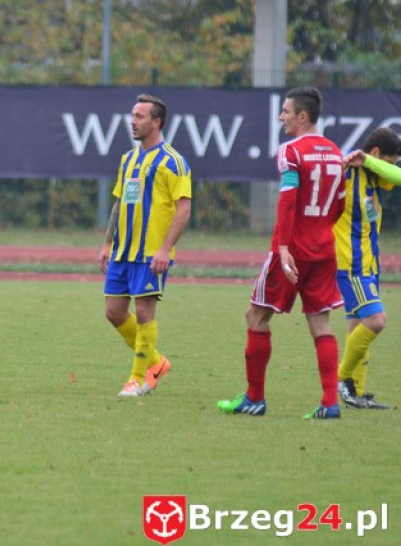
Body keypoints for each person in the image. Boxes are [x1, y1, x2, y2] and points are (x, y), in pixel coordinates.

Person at [218, 86, 346, 419]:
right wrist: (319, 231)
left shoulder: (291, 151)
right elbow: (340, 204)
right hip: (323, 249)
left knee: (256, 316)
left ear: (303, 116)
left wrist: (286, 247)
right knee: (321, 323)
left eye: (286, 112)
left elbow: (288, 199)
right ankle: (330, 403)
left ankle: (254, 398)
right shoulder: (335, 152)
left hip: (290, 251)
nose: (281, 117)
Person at [98, 94, 191, 397]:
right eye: (132, 115)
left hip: (151, 253)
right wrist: (107, 242)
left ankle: (137, 378)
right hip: (123, 251)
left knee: (145, 312)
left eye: (139, 116)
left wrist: (165, 249)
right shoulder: (128, 159)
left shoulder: (173, 162)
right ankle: (156, 362)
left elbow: (184, 208)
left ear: (156, 122)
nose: (132, 121)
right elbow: (120, 202)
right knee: (114, 312)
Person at [333, 127, 401, 409]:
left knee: (357, 327)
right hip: (351, 263)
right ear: (376, 153)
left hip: (370, 262)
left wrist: (370, 162)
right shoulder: (344, 172)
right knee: (376, 321)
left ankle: (355, 394)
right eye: (392, 160)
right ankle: (341, 378)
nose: (394, 166)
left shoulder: (374, 172)